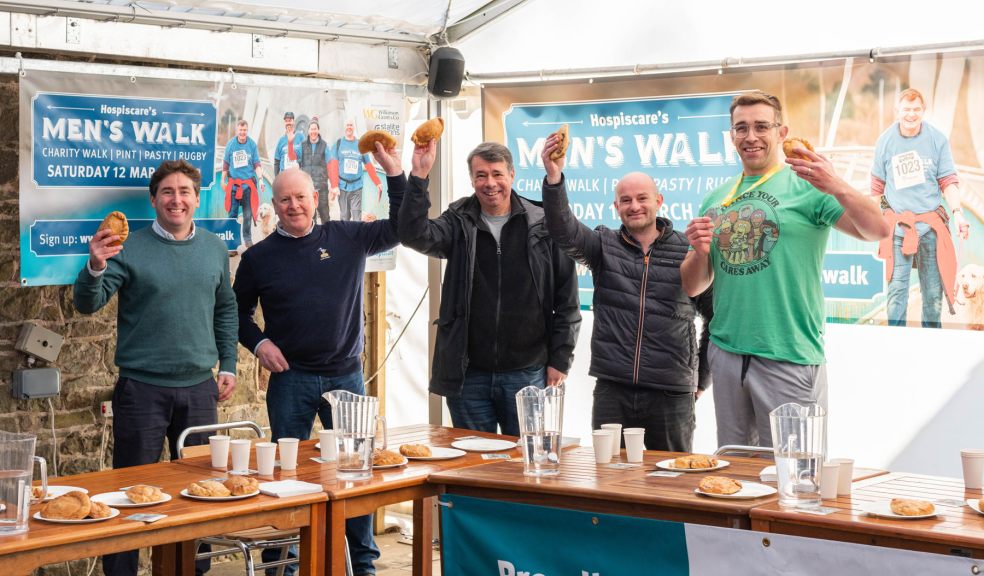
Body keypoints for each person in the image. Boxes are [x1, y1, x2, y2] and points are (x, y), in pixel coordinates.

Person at [233, 143, 406, 576]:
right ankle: (281, 566)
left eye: (301, 197)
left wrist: (396, 173)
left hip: (346, 377)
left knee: (356, 476)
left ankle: (362, 565)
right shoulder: (257, 257)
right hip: (291, 380)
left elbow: (404, 224)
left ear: (316, 198)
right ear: (274, 205)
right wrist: (258, 344)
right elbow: (233, 315)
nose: (294, 205)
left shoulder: (348, 237)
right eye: (285, 199)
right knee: (283, 479)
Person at [681, 90, 888, 447]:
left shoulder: (809, 186)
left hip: (789, 354)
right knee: (735, 475)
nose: (751, 137)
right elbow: (692, 286)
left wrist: (836, 184)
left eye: (762, 126)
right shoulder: (717, 198)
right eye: (741, 128)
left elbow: (878, 230)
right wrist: (699, 252)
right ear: (731, 136)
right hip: (728, 357)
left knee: (796, 477)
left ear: (782, 132)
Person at [73, 159, 237, 576]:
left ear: (197, 199)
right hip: (141, 391)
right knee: (128, 494)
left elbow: (225, 309)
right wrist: (94, 265)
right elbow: (88, 303)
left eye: (184, 192)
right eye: (167, 192)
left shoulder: (215, 248)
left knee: (200, 494)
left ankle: (188, 571)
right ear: (154, 199)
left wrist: (229, 364)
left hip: (200, 390)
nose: (176, 199)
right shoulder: (129, 247)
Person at [539, 139, 712, 452]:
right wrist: (554, 178)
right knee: (611, 481)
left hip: (672, 392)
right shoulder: (603, 245)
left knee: (671, 482)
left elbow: (715, 319)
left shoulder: (688, 251)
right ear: (615, 207)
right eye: (626, 200)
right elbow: (563, 230)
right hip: (613, 389)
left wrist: (701, 378)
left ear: (658, 200)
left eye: (642, 198)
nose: (634, 206)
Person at [399, 141, 581, 436]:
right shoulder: (458, 220)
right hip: (469, 375)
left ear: (512, 175)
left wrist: (561, 359)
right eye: (481, 175)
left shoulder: (543, 224)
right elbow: (413, 235)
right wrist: (419, 176)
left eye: (497, 174)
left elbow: (568, 301)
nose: (490, 183)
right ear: (471, 180)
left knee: (525, 464)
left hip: (527, 372)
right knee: (472, 469)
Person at [871, 88, 971, 328]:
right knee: (896, 293)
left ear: (923, 111)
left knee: (933, 296)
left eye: (916, 110)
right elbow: (876, 186)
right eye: (906, 109)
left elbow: (948, 181)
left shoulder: (938, 140)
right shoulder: (885, 141)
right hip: (897, 228)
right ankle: (895, 341)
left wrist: (958, 214)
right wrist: (872, 221)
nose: (911, 115)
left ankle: (931, 343)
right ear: (898, 111)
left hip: (930, 228)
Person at [329, 119, 382, 221]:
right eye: (347, 125)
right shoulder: (338, 144)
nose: (349, 127)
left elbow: (369, 165)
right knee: (344, 217)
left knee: (357, 218)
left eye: (351, 125)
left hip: (357, 187)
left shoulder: (360, 145)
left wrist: (377, 182)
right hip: (342, 187)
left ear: (354, 128)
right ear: (344, 127)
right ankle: (345, 236)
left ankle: (356, 236)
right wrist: (334, 186)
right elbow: (333, 167)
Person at [222, 119, 264, 247]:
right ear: (237, 130)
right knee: (232, 214)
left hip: (248, 186)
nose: (242, 132)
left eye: (244, 130)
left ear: (247, 131)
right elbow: (225, 165)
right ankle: (232, 243)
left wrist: (261, 180)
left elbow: (257, 164)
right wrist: (223, 181)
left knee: (247, 215)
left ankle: (247, 239)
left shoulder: (252, 145)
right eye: (240, 130)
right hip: (234, 185)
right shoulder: (230, 144)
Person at [299, 117, 331, 224]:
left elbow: (330, 165)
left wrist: (333, 185)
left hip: (322, 187)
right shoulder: (302, 146)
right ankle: (313, 239)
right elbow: (297, 162)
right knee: (310, 216)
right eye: (311, 129)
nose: (313, 131)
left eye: (315, 129)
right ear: (308, 131)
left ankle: (327, 238)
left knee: (325, 215)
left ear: (318, 130)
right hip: (308, 187)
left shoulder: (325, 145)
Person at [273, 111, 302, 176]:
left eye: (290, 120)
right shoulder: (281, 140)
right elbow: (277, 161)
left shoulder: (300, 136)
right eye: (286, 121)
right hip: (284, 177)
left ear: (293, 121)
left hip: (297, 176)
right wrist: (276, 178)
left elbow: (306, 157)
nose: (288, 123)